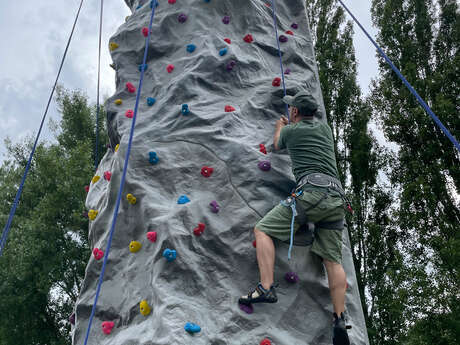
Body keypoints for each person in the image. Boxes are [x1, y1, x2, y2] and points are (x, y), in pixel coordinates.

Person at [238, 91, 351, 345]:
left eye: (291, 109)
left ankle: (265, 287)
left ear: (296, 112)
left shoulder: (291, 131)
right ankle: (340, 317)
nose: (289, 111)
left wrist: (280, 126)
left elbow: (276, 143)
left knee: (262, 230)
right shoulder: (325, 131)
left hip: (309, 195)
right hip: (336, 199)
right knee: (332, 260)